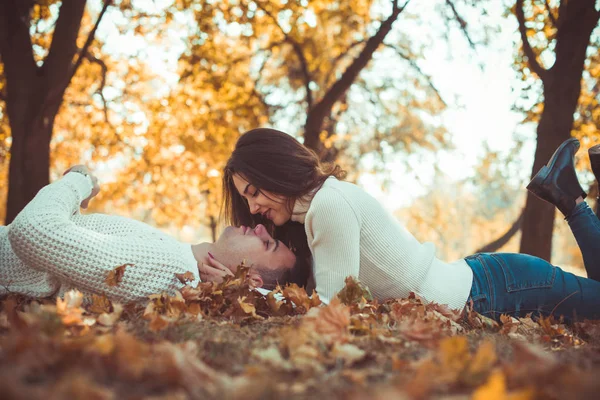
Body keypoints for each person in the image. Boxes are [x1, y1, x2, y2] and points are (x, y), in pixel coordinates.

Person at [221, 128, 600, 322]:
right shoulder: (316, 213)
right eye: (246, 199)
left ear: (276, 171)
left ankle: (571, 199)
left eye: (254, 192)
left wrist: (255, 301)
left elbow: (332, 309)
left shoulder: (329, 206)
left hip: (496, 290)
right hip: (485, 280)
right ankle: (568, 195)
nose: (253, 208)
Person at [0, 165, 296, 303]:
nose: (259, 227)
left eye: (267, 244)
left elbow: (34, 232)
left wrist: (78, 182)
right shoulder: (176, 258)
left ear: (251, 280)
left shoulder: (166, 267)